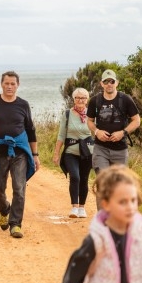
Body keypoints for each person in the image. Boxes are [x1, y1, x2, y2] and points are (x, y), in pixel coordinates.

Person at [0, 71, 39, 239]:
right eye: (7, 83)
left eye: (13, 84)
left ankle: (15, 224)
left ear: (17, 85)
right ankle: (5, 210)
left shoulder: (23, 105)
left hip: (19, 151)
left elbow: (31, 130)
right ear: (1, 84)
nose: (10, 86)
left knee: (19, 189)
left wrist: (35, 154)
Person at [86, 69, 141, 174]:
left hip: (120, 150)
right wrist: (97, 132)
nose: (109, 84)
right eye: (106, 82)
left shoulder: (125, 99)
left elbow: (137, 120)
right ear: (102, 84)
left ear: (117, 83)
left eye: (112, 81)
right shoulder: (95, 100)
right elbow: (89, 121)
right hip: (100, 149)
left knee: (118, 184)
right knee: (104, 181)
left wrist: (123, 133)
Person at [52, 88, 94, 219]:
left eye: (83, 98)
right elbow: (61, 135)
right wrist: (56, 153)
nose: (80, 100)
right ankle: (74, 207)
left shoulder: (92, 115)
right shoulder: (67, 114)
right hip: (71, 152)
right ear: (74, 99)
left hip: (87, 152)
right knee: (75, 177)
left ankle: (82, 207)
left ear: (87, 100)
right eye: (78, 98)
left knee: (84, 179)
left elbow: (96, 133)